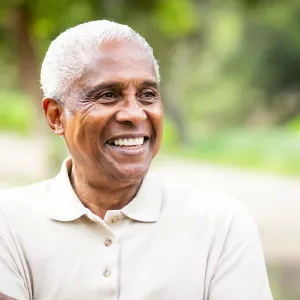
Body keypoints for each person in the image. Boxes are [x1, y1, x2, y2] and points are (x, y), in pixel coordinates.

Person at [0, 20, 273, 300]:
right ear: (56, 116)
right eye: (108, 95)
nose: (135, 113)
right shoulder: (8, 221)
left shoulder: (221, 225)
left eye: (147, 95)